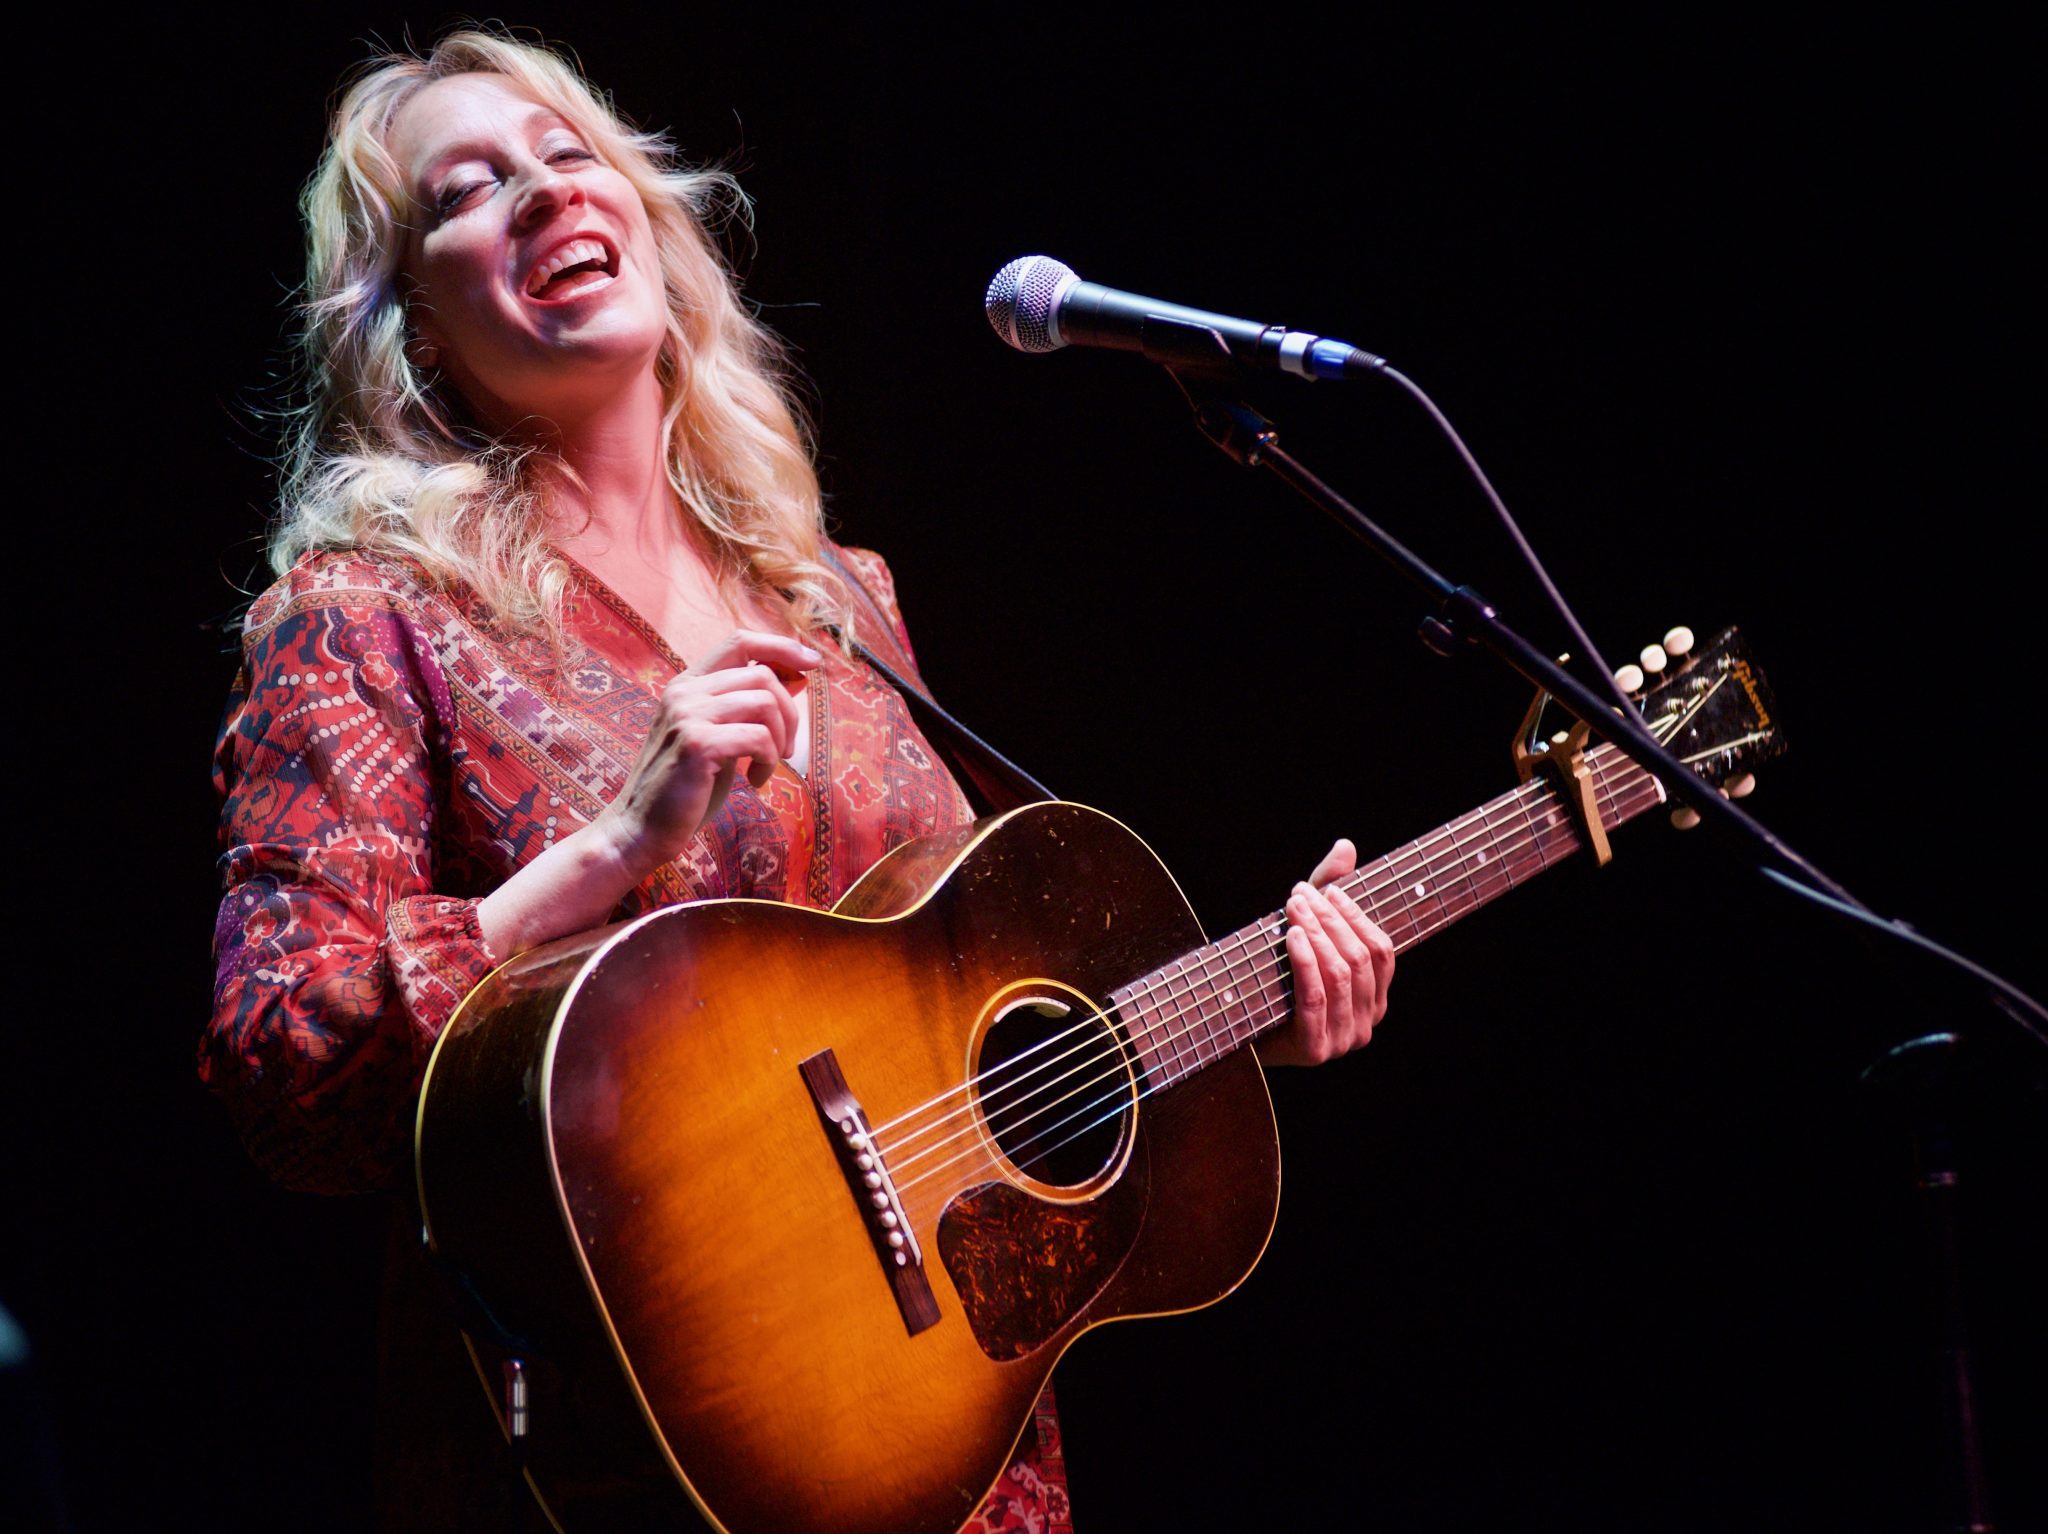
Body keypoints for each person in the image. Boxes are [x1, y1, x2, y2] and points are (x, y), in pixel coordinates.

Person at [201, 28, 1396, 1533]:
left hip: (958, 1461)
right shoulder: (364, 616)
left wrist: (1241, 1019)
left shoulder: (840, 600)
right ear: (415, 326)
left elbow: (947, 1034)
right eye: (468, 191)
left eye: (570, 156)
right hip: (627, 1464)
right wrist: (618, 841)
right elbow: (288, 1068)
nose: (543, 194)